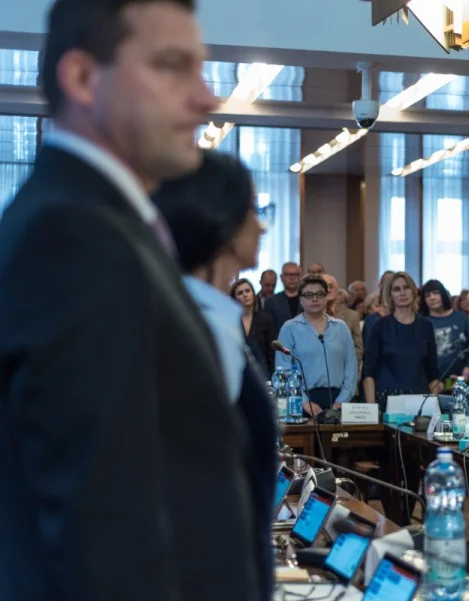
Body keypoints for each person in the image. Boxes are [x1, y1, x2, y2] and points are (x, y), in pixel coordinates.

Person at [0, 1, 261, 599]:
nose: (206, 97)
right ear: (83, 78)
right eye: (172, 66)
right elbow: (105, 538)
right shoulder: (74, 235)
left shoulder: (104, 225)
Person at [154, 151, 276, 601]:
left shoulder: (204, 316)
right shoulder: (199, 328)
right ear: (220, 223)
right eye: (253, 212)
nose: (261, 226)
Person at [276, 276, 358, 414]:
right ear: (300, 300)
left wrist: (342, 401)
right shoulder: (289, 328)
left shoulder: (341, 327)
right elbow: (284, 369)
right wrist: (304, 402)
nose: (314, 299)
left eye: (320, 294)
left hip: (338, 399)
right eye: (308, 295)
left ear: (326, 297)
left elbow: (351, 367)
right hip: (302, 400)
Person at [363, 271, 441, 409]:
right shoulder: (380, 326)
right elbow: (368, 373)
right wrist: (371, 410)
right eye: (396, 289)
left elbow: (432, 371)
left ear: (413, 291)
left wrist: (433, 407)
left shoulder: (426, 325)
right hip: (386, 402)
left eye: (406, 288)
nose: (402, 293)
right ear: (390, 296)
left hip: (420, 402)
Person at [422, 279, 469, 382]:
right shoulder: (422, 323)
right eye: (427, 295)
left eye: (436, 293)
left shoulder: (462, 319)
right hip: (431, 384)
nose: (432, 297)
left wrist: (464, 377)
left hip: (461, 382)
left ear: (443, 294)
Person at [233, 278, 277, 376]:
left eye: (247, 291)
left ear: (253, 294)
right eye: (240, 293)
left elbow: (272, 354)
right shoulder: (231, 321)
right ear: (234, 298)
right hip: (238, 372)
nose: (245, 295)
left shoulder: (265, 320)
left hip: (262, 373)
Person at [322, 273, 363, 370]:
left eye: (331, 286)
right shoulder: (310, 316)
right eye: (324, 287)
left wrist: (350, 370)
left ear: (337, 291)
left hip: (344, 371)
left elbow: (358, 349)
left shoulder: (352, 316)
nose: (328, 290)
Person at [264, 261, 303, 331]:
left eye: (295, 275)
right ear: (281, 277)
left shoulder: (307, 299)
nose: (292, 278)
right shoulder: (271, 302)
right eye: (287, 275)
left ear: (300, 277)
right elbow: (268, 329)